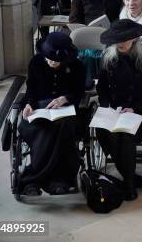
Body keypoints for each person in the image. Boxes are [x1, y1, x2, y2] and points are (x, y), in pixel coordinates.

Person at [96, 20, 142, 201]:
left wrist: (135, 108)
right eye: (117, 40)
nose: (121, 43)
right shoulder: (107, 57)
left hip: (138, 112)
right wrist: (107, 105)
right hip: (114, 111)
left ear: (134, 38)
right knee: (105, 132)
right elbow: (102, 88)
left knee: (124, 136)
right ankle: (129, 176)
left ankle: (130, 183)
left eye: (125, 39)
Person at [18, 33, 84, 196]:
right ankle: (51, 180)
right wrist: (28, 104)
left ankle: (39, 179)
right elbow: (31, 90)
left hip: (66, 112)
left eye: (55, 60)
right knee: (44, 129)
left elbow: (78, 92)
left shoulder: (77, 66)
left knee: (62, 127)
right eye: (48, 58)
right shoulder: (36, 63)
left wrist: (65, 98)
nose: (51, 62)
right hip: (39, 111)